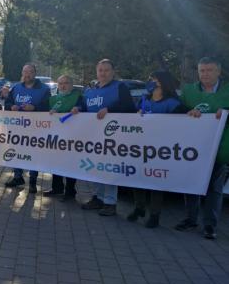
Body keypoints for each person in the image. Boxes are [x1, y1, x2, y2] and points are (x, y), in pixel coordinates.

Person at [71, 59, 135, 216]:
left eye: (106, 70)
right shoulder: (90, 90)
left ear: (112, 72)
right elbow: (83, 106)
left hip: (114, 136)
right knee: (96, 166)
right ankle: (98, 198)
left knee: (110, 168)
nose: (103, 73)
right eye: (100, 70)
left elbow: (130, 107)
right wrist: (77, 108)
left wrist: (110, 109)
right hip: (93, 136)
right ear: (96, 72)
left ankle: (110, 202)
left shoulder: (120, 87)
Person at [175, 57, 228, 239]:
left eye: (210, 70)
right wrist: (187, 112)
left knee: (214, 189)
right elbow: (178, 109)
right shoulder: (189, 91)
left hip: (219, 149)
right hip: (193, 150)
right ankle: (190, 220)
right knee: (191, 185)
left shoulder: (228, 90)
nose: (205, 74)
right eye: (202, 71)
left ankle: (210, 226)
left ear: (218, 72)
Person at [125, 71, 185, 228]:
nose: (150, 82)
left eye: (154, 80)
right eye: (150, 79)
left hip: (160, 150)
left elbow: (183, 124)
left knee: (155, 181)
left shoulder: (172, 103)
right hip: (140, 146)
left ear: (162, 83)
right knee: (137, 177)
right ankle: (139, 208)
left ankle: (155, 214)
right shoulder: (144, 100)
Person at [3, 64, 51, 193]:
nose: (27, 74)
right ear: (22, 73)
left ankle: (33, 181)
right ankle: (18, 177)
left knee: (33, 154)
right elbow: (7, 103)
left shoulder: (44, 89)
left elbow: (47, 107)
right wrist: (11, 106)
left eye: (30, 72)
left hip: (36, 129)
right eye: (25, 72)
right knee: (16, 152)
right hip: (17, 128)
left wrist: (34, 108)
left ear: (35, 73)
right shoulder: (16, 88)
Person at [45, 75, 82, 202]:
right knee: (56, 163)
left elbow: (85, 109)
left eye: (66, 83)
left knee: (70, 164)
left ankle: (70, 191)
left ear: (71, 84)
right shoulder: (53, 99)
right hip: (56, 137)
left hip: (73, 137)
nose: (63, 86)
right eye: (60, 83)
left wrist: (79, 109)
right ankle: (57, 188)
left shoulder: (78, 96)